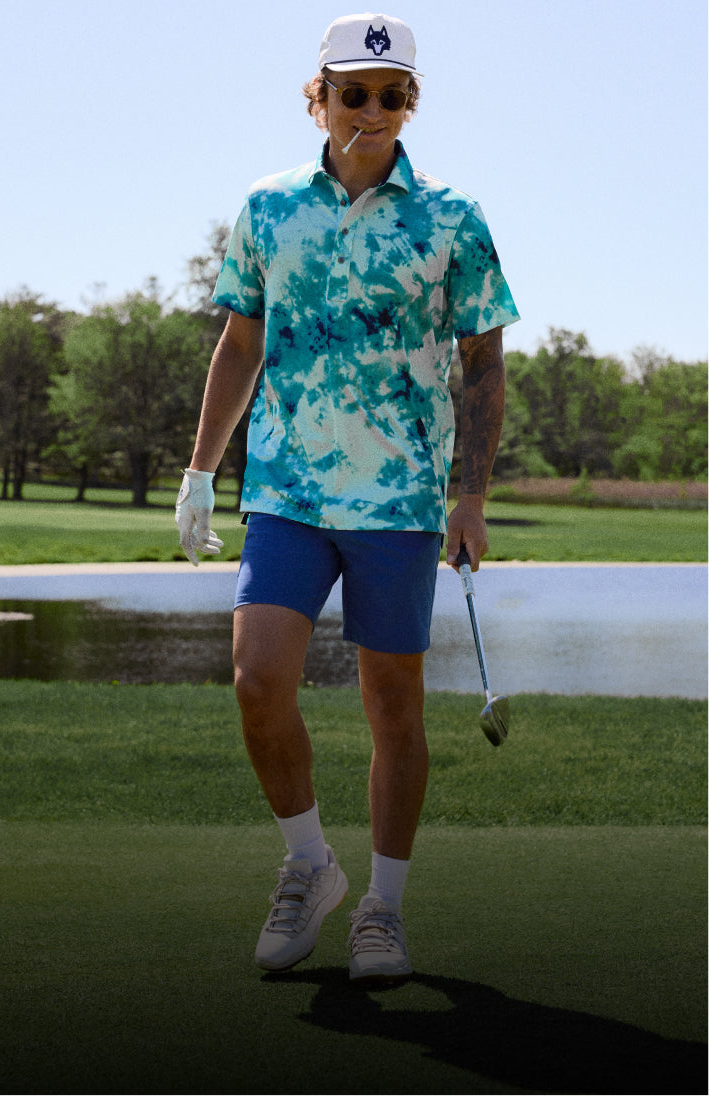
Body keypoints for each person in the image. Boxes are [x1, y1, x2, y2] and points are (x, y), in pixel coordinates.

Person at [175, 12, 519, 983]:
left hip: (401, 497)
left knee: (392, 708)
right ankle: (309, 863)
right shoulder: (267, 208)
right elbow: (240, 342)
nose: (369, 110)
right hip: (286, 486)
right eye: (351, 91)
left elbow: (482, 361)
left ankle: (383, 908)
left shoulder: (453, 217)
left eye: (389, 94)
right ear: (315, 96)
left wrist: (471, 494)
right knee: (256, 680)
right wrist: (202, 468)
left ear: (410, 104)